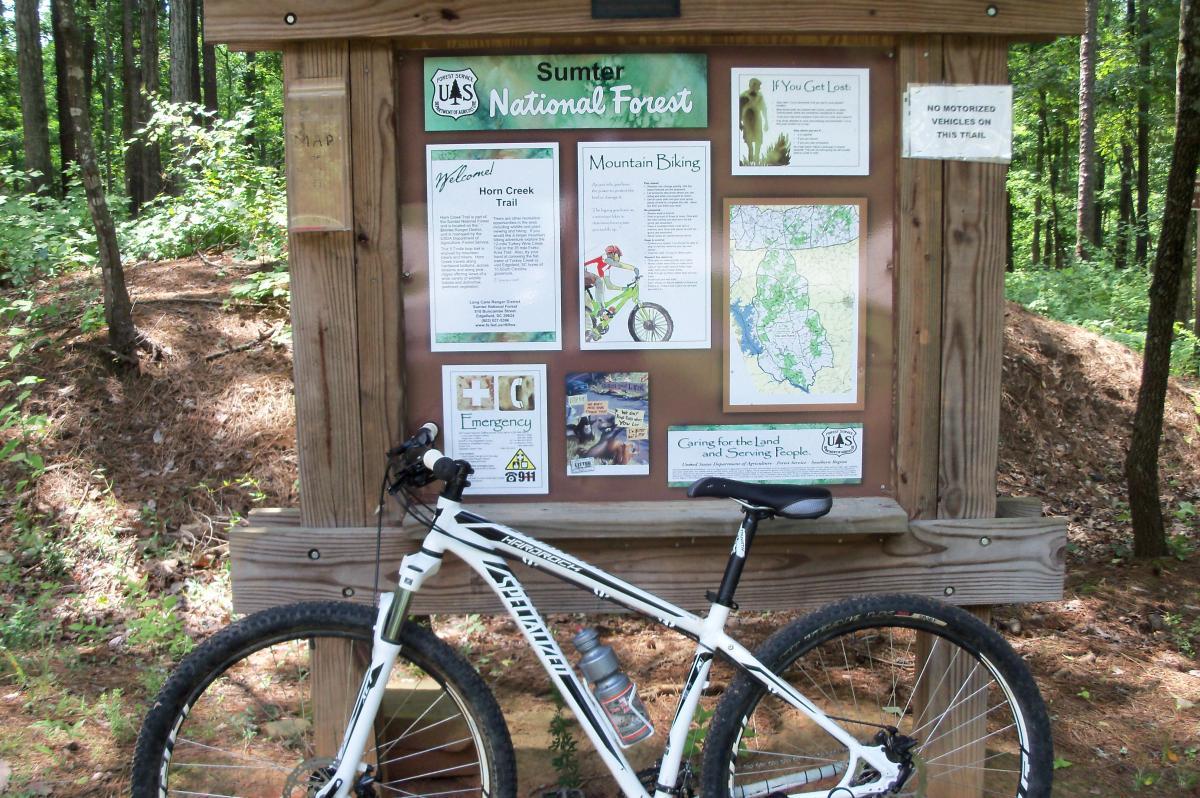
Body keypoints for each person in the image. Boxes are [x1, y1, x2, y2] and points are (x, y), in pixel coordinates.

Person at [583, 244, 638, 308]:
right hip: (583, 273)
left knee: (600, 282)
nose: (619, 258)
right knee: (600, 281)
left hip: (589, 277)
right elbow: (618, 264)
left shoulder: (606, 268)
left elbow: (609, 286)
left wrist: (622, 288)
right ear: (613, 254)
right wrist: (633, 268)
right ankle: (600, 306)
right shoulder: (605, 258)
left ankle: (600, 307)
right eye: (618, 255)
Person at [739, 78, 769, 165]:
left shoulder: (760, 96)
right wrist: (739, 122)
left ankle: (756, 158)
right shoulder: (743, 95)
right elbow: (739, 109)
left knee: (758, 139)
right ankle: (750, 157)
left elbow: (764, 108)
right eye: (758, 86)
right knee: (748, 139)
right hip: (747, 119)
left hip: (757, 119)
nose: (759, 88)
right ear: (753, 85)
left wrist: (766, 122)